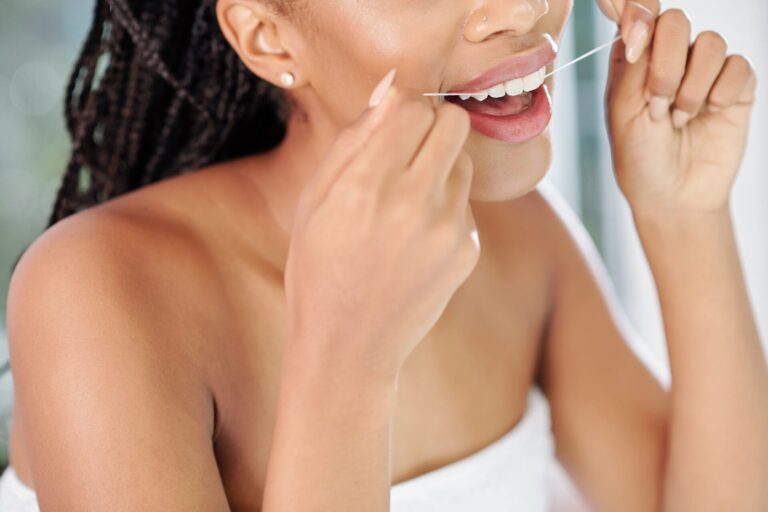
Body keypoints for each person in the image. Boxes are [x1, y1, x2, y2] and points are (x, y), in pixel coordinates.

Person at [1, 0, 766, 510]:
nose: (519, 9)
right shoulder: (99, 291)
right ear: (270, 38)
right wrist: (345, 361)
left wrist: (685, 217)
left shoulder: (518, 233)